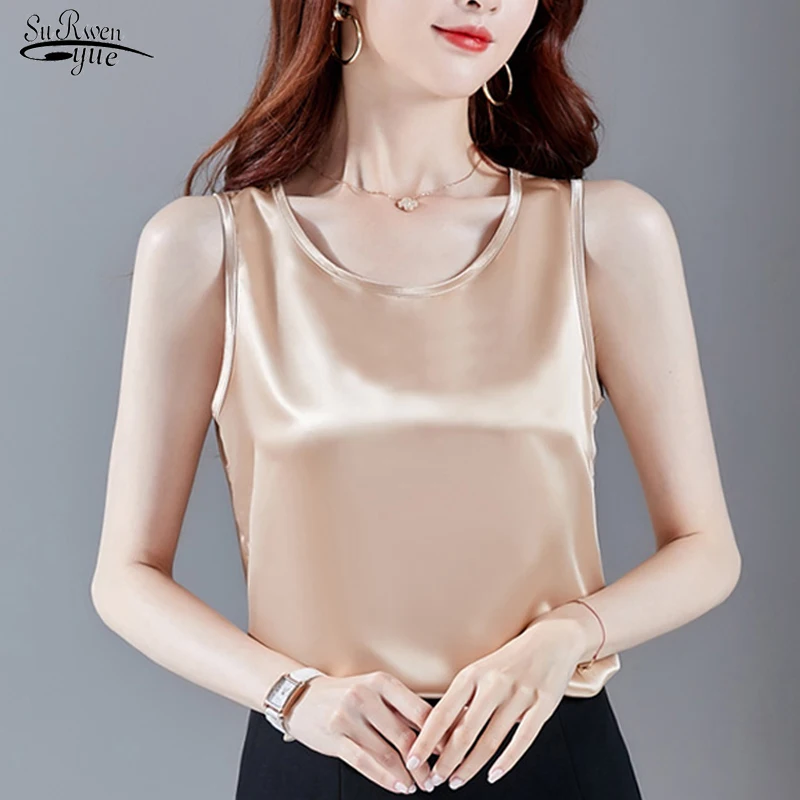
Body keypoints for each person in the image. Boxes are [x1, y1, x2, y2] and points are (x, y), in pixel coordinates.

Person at [91, 0, 742, 797]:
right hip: (322, 757)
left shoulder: (604, 233)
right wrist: (293, 696)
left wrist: (568, 636)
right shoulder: (209, 248)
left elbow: (707, 548)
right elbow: (125, 577)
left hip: (550, 752)